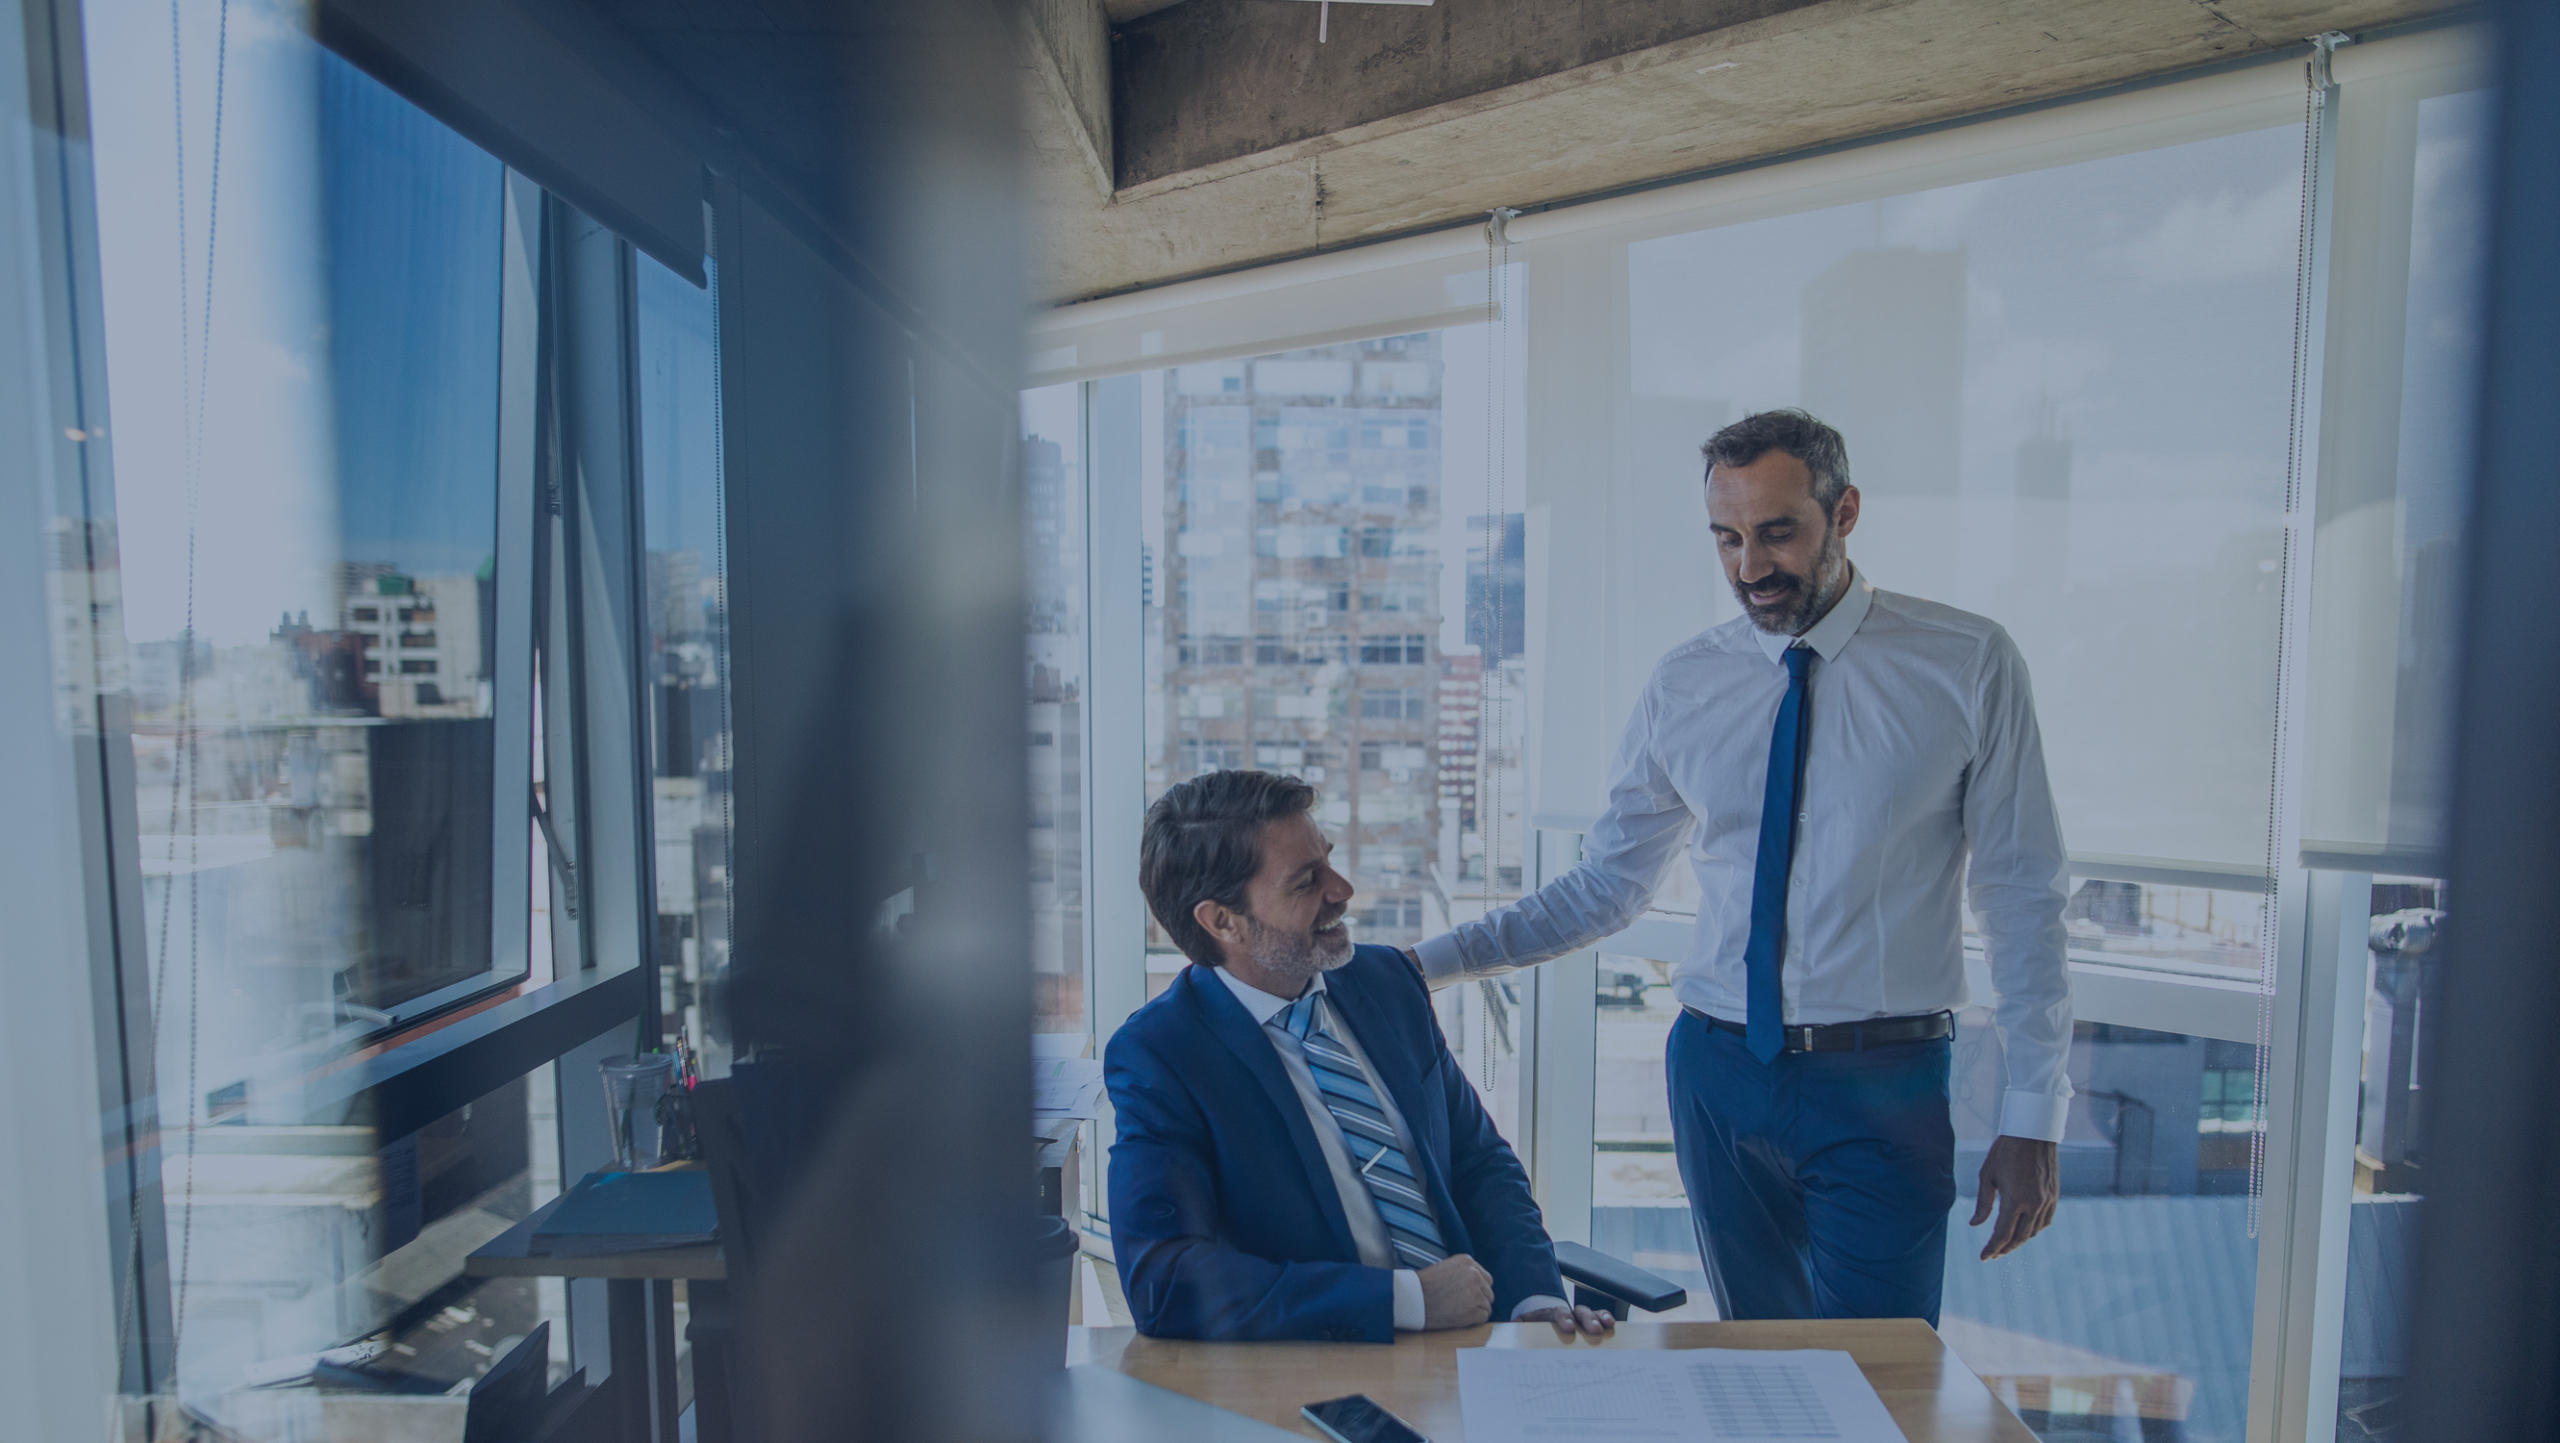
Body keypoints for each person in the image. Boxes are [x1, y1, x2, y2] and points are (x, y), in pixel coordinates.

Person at [1408, 409, 2071, 1328]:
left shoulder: (1966, 663)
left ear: (1843, 513)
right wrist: (1422, 966)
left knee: (1882, 1371)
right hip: (1718, 1072)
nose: (1749, 568)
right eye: (1726, 538)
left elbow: (2023, 895)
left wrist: (2035, 1110)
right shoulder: (1685, 681)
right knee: (1758, 1357)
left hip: (1884, 1080)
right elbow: (1608, 884)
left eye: (1777, 533)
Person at [1105, 769, 1614, 1342]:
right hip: (1332, 1357)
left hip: (1479, 1337)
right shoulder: (1162, 1055)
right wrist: (1406, 1299)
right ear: (1223, 920)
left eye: (1328, 859)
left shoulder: (1385, 982)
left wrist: (1533, 1299)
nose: (1342, 889)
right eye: (1306, 881)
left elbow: (1478, 1162)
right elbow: (1164, 1281)